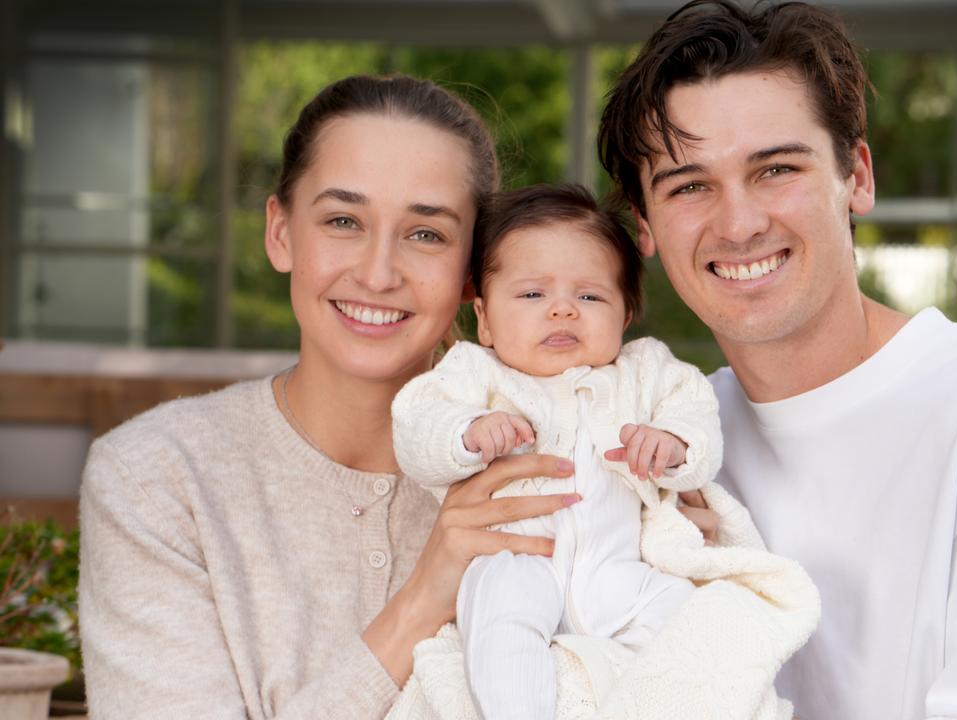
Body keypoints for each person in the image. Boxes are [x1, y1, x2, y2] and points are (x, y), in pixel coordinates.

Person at [597, 1, 957, 718]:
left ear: (857, 178)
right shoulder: (666, 451)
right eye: (689, 185)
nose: (739, 223)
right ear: (644, 228)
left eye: (775, 168)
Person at [77, 75, 583, 718]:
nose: (377, 273)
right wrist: (423, 600)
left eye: (426, 233)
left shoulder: (555, 472)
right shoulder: (155, 478)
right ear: (281, 232)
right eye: (343, 221)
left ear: (473, 271)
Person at [390, 182, 720, 720]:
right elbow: (415, 425)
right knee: (500, 625)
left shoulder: (645, 373)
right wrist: (467, 433)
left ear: (626, 313)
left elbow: (695, 409)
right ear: (486, 319)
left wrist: (675, 444)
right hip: (518, 561)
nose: (563, 311)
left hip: (618, 571)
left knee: (685, 614)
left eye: (589, 296)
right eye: (532, 295)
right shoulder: (476, 374)